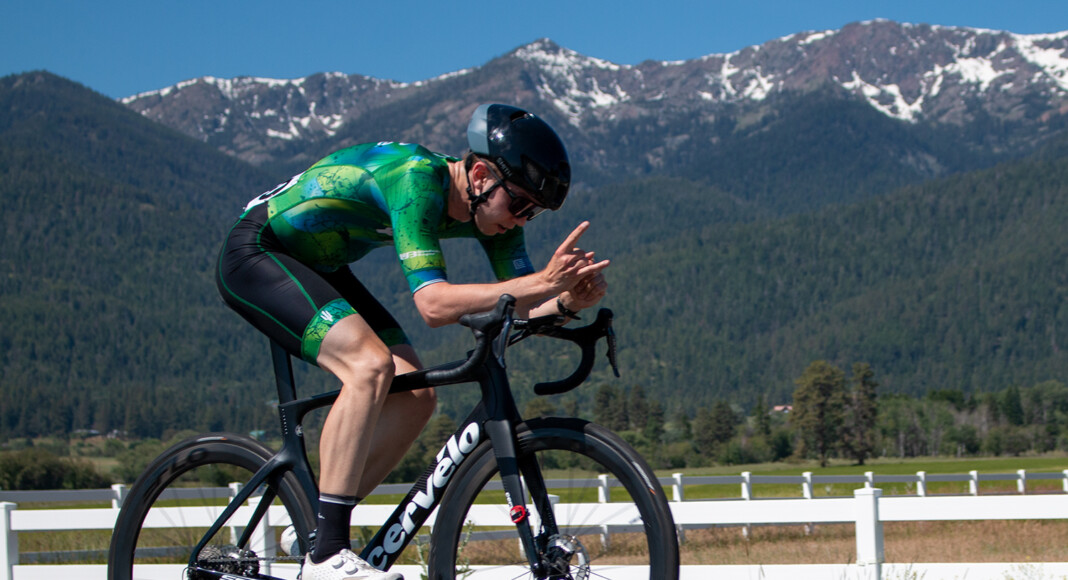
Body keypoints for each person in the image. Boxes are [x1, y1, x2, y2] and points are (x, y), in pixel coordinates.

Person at [215, 103, 609, 580]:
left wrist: (566, 301)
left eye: (535, 212)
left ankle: (316, 530)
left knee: (416, 395)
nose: (524, 219)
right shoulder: (417, 179)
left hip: (322, 265)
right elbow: (434, 306)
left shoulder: (495, 216)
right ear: (480, 175)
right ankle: (326, 554)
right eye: (521, 204)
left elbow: (519, 305)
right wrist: (544, 282)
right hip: (259, 252)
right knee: (369, 367)